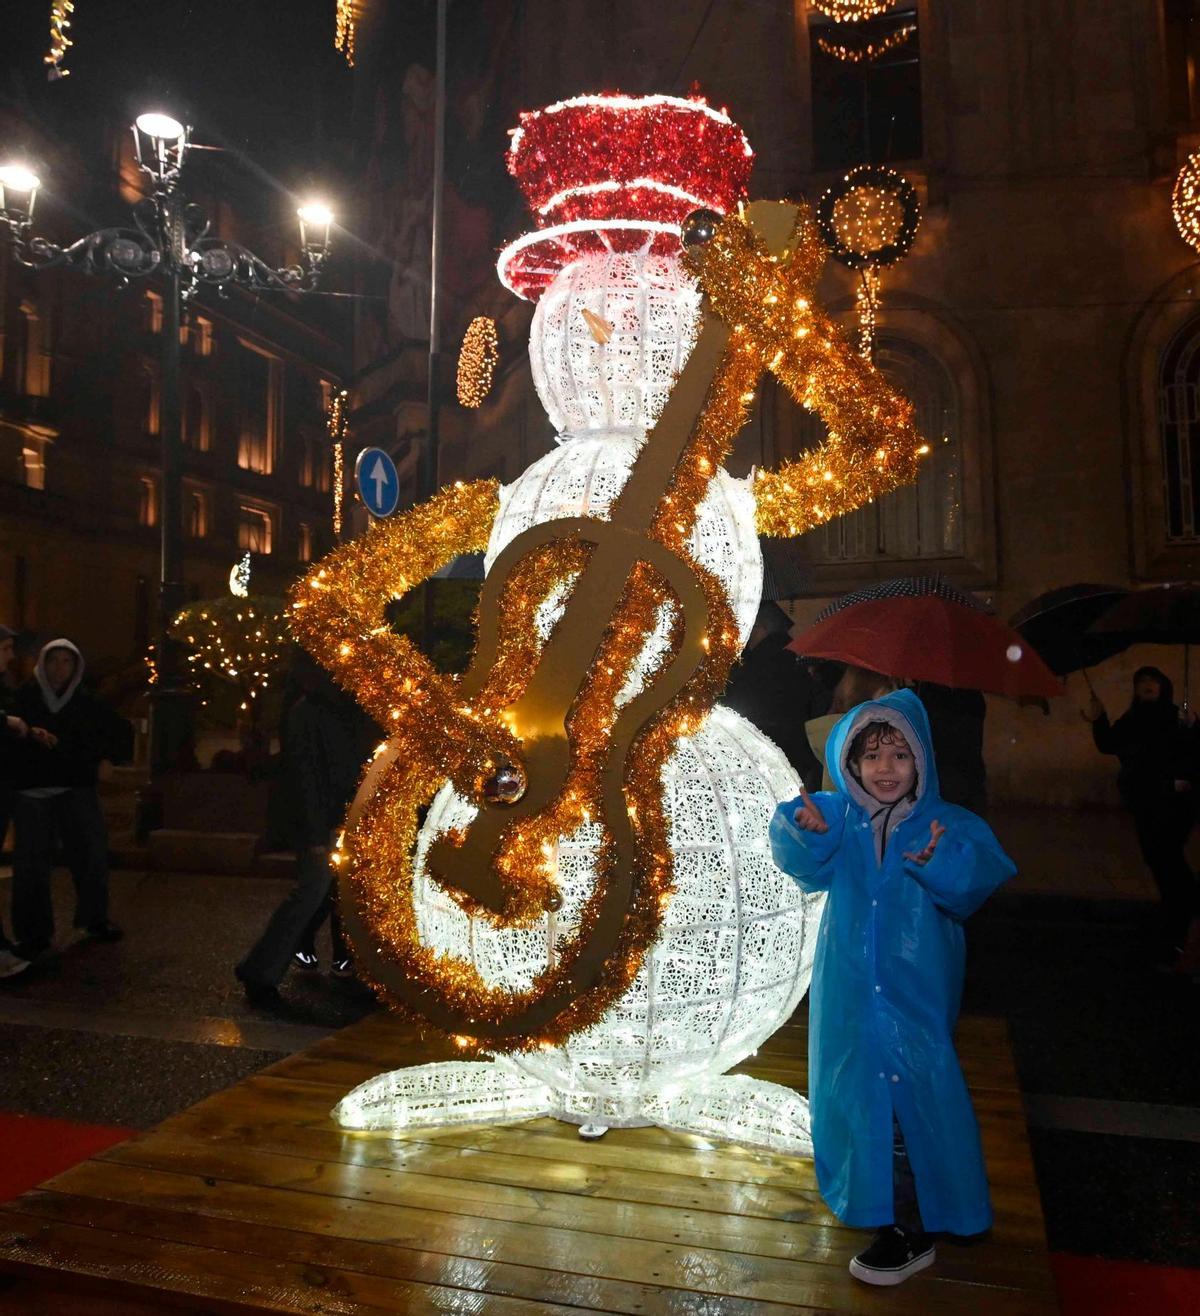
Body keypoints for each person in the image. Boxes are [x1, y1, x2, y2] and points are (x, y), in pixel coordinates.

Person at [770, 689, 1015, 1286]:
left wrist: (942, 859)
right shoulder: (841, 821)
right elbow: (801, 861)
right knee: (862, 1103)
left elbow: (975, 881)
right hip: (852, 998)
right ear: (849, 763)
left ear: (922, 762)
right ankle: (886, 1207)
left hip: (915, 997)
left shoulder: (946, 824)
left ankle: (913, 1227)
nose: (886, 768)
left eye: (900, 756)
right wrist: (809, 833)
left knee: (916, 1106)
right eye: (872, 755)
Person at [235, 652, 372, 1009]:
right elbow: (307, 777)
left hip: (336, 818)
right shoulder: (315, 711)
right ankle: (260, 971)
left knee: (324, 895)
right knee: (310, 895)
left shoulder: (335, 708)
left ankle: (278, 968)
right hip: (325, 822)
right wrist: (314, 835)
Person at [9, 639, 128, 958]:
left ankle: (94, 919)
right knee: (31, 864)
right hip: (31, 790)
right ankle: (33, 933)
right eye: (53, 661)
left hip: (75, 787)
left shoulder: (85, 702)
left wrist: (108, 759)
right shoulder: (24, 697)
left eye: (66, 662)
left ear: (76, 667)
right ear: (42, 664)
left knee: (91, 854)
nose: (59, 669)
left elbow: (113, 732)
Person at [1085, 666, 1200, 966]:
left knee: (1167, 855)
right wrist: (1099, 718)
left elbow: (1192, 751)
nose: (1147, 686)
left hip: (1175, 801)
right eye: (1142, 682)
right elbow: (1110, 743)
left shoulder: (1176, 717)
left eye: (1153, 681)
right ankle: (1179, 911)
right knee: (1157, 857)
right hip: (1145, 799)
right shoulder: (1133, 719)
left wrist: (1194, 725)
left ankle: (1184, 912)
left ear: (1164, 686)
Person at [723, 602, 826, 789]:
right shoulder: (800, 659)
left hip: (759, 760)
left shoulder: (753, 667)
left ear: (760, 628)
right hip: (799, 760)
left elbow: (734, 710)